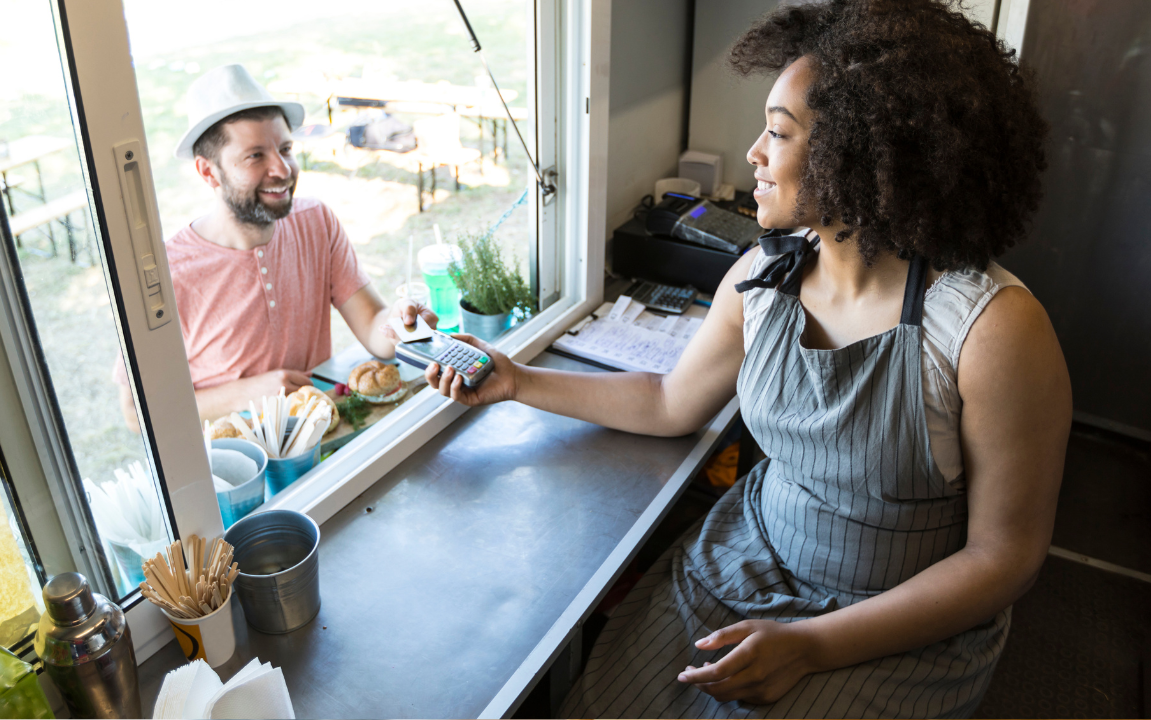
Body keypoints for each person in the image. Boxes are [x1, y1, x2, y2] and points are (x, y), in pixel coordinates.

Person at [427, 0, 1069, 716]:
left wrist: (816, 645)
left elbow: (1003, 559)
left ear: (857, 155)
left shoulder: (992, 330)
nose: (753, 154)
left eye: (778, 133)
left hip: (902, 621)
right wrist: (516, 381)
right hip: (746, 561)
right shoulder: (761, 277)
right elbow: (671, 403)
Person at [118, 65, 432, 428]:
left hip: (320, 439)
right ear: (208, 172)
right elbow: (134, 412)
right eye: (255, 156)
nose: (282, 170)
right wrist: (246, 393)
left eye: (285, 148)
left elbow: (376, 332)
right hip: (239, 467)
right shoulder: (166, 273)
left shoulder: (316, 221)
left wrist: (401, 323)